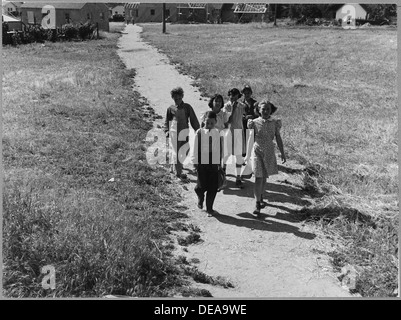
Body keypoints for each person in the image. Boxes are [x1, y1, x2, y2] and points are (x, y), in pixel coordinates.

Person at [246, 100, 286, 216]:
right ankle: (257, 203)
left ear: (271, 110)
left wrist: (282, 153)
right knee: (258, 177)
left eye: (268, 109)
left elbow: (278, 138)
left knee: (264, 177)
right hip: (257, 151)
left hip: (269, 152)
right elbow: (250, 139)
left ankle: (261, 195)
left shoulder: (275, 123)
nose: (265, 111)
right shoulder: (253, 123)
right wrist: (247, 155)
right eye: (263, 109)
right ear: (258, 110)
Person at [165, 87, 200, 180]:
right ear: (173, 98)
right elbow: (167, 121)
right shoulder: (170, 108)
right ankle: (179, 173)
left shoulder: (187, 107)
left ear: (182, 96)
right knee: (177, 152)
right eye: (175, 99)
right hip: (174, 132)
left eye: (179, 98)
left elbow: (193, 118)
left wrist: (198, 129)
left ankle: (177, 164)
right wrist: (167, 130)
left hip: (184, 131)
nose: (177, 100)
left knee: (186, 150)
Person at [192, 111, 223, 216]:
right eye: (207, 123)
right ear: (203, 121)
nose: (209, 126)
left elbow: (219, 148)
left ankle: (209, 208)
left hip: (213, 162)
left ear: (215, 122)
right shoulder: (199, 133)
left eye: (212, 123)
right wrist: (194, 161)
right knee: (201, 185)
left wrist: (220, 162)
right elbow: (195, 148)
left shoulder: (217, 133)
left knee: (213, 186)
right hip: (202, 161)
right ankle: (200, 195)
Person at [223, 88, 247, 188]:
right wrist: (233, 109)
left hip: (238, 131)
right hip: (229, 131)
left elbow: (244, 115)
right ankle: (222, 176)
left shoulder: (241, 106)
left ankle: (238, 177)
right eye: (231, 95)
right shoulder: (227, 106)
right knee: (226, 155)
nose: (233, 97)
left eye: (235, 95)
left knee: (238, 156)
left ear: (238, 96)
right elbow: (228, 121)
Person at [241, 85, 259, 158]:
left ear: (251, 93)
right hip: (244, 125)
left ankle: (253, 157)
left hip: (253, 125)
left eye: (248, 93)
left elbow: (259, 114)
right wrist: (243, 117)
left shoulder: (255, 103)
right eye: (245, 93)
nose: (247, 95)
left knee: (252, 141)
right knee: (245, 140)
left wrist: (253, 116)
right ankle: (245, 157)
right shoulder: (241, 104)